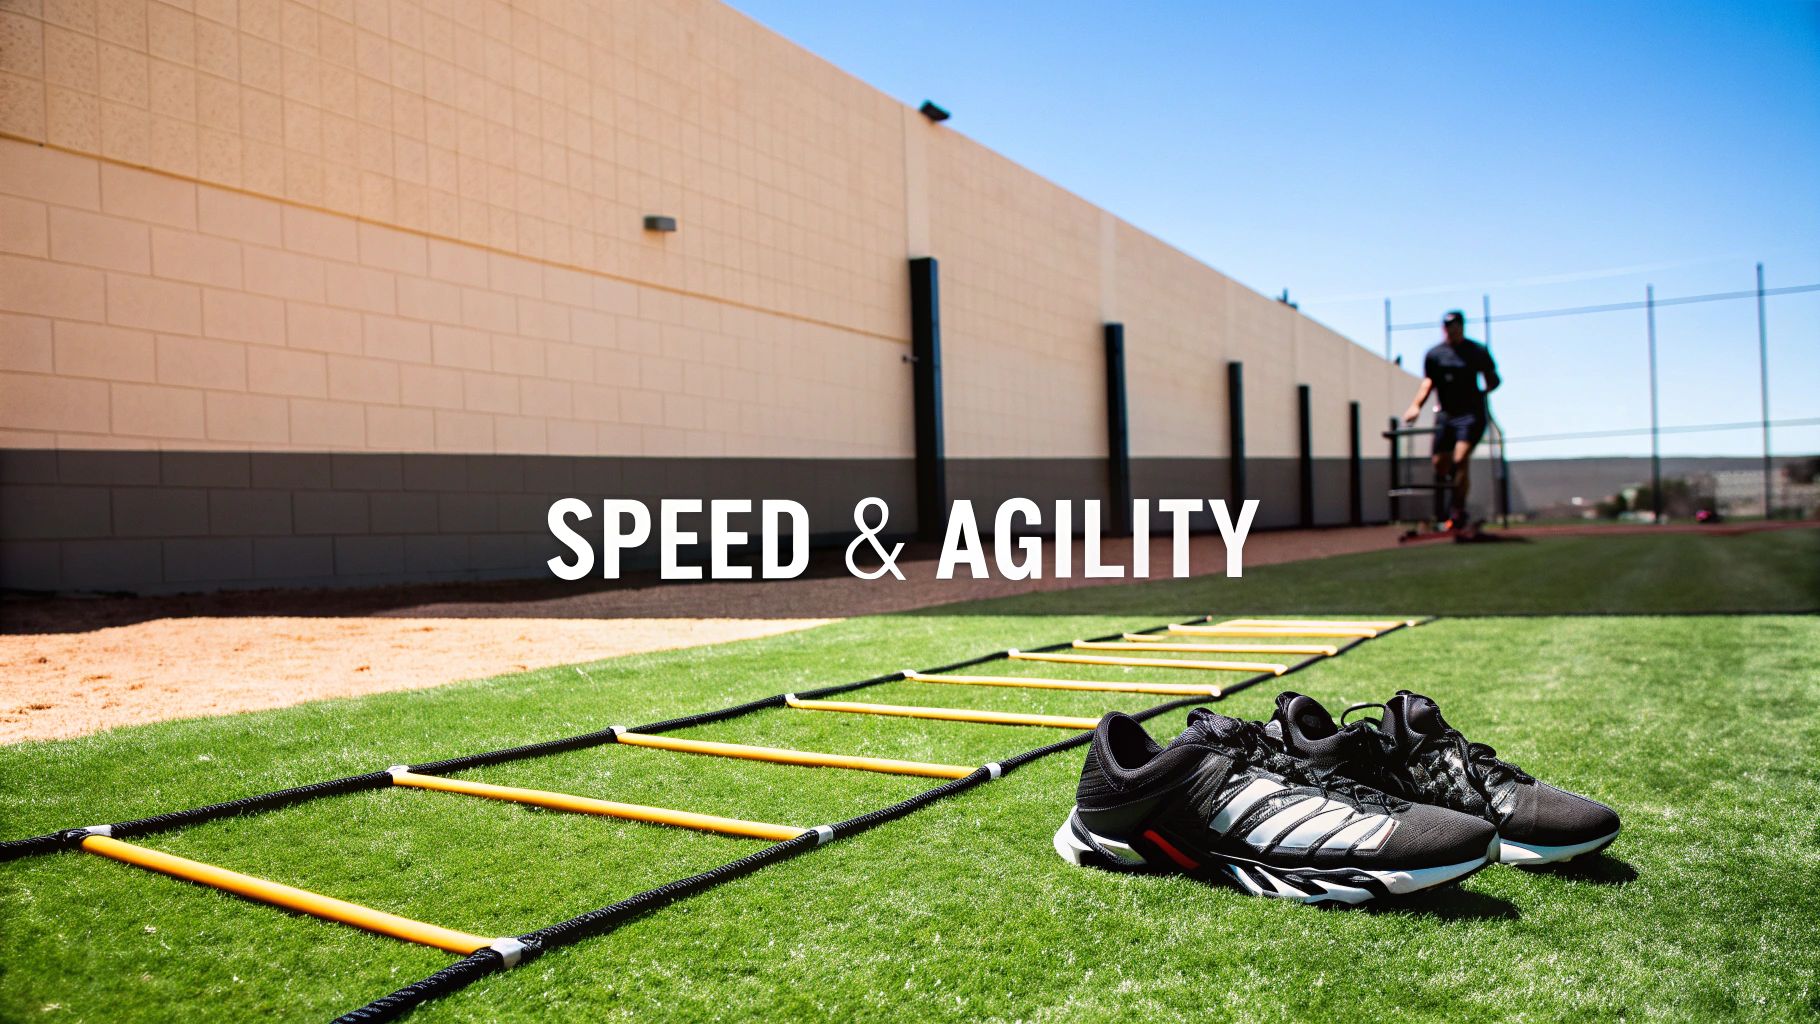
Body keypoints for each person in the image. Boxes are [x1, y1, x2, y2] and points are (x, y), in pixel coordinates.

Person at [1402, 311, 1500, 530]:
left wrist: (1483, 392)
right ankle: (1450, 500)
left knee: (1461, 457)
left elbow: (1493, 379)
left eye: (1456, 326)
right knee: (1441, 464)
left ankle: (1458, 510)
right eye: (1448, 327)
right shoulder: (1435, 355)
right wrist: (1415, 406)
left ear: (1462, 327)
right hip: (1446, 415)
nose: (1452, 330)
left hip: (1471, 414)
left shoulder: (1477, 351)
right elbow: (1428, 383)